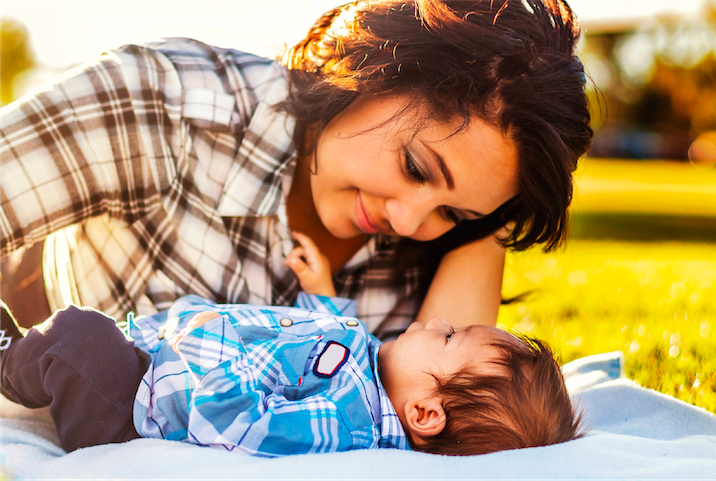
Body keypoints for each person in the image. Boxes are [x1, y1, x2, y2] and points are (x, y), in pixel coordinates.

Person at [0, 0, 593, 339]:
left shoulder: (446, 242)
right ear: (373, 70)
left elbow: (440, 420)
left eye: (452, 210)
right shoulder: (162, 103)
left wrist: (484, 226)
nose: (410, 221)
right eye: (415, 168)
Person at [0, 233, 584, 456]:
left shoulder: (353, 418)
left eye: (450, 336)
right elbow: (319, 348)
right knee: (89, 337)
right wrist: (323, 297)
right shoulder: (373, 373)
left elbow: (256, 428)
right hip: (161, 368)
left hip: (137, 410)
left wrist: (224, 366)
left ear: (426, 413)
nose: (437, 322)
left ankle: (7, 359)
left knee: (79, 335)